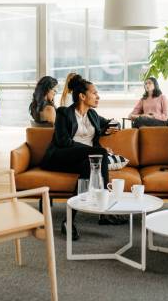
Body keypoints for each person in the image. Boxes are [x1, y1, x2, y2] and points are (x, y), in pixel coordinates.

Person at [40, 74, 125, 239]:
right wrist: (92, 150)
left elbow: (114, 122)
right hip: (59, 157)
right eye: (94, 93)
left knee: (90, 166)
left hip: (83, 159)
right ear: (82, 96)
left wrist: (108, 128)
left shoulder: (92, 115)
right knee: (99, 154)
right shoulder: (64, 113)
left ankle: (68, 221)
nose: (98, 96)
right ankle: (105, 210)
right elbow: (63, 142)